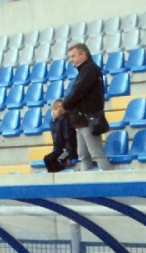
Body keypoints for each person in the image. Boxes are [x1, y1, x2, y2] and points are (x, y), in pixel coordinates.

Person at [61, 42, 109, 172]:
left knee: (96, 154)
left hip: (88, 118)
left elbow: (78, 91)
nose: (71, 59)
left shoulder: (90, 69)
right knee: (83, 156)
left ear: (83, 55)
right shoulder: (85, 70)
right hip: (81, 121)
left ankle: (108, 180)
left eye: (73, 56)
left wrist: (65, 104)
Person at [43, 98, 77, 173]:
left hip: (67, 151)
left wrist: (68, 156)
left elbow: (69, 139)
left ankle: (60, 175)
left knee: (58, 159)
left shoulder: (65, 120)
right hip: (59, 150)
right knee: (46, 158)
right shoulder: (54, 121)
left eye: (55, 110)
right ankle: (53, 175)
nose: (53, 112)